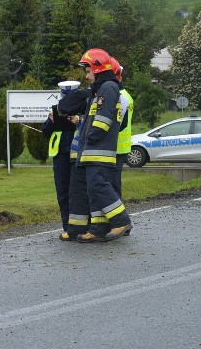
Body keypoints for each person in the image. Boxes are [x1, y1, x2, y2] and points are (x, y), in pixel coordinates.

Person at [72, 48, 133, 243]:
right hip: (95, 150)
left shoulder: (107, 87)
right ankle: (98, 228)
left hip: (98, 149)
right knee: (93, 188)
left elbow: (103, 120)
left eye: (88, 71)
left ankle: (121, 220)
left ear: (98, 69)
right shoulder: (104, 88)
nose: (87, 76)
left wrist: (90, 136)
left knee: (98, 185)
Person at [41, 81, 81, 240]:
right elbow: (44, 132)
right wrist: (51, 121)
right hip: (60, 156)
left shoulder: (83, 110)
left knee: (77, 192)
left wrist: (79, 121)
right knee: (63, 193)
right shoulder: (57, 110)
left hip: (77, 154)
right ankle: (68, 227)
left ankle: (81, 226)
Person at [110, 58, 133, 200]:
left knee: (113, 183)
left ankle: (117, 211)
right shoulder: (127, 96)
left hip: (115, 144)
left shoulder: (118, 96)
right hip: (122, 145)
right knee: (115, 180)